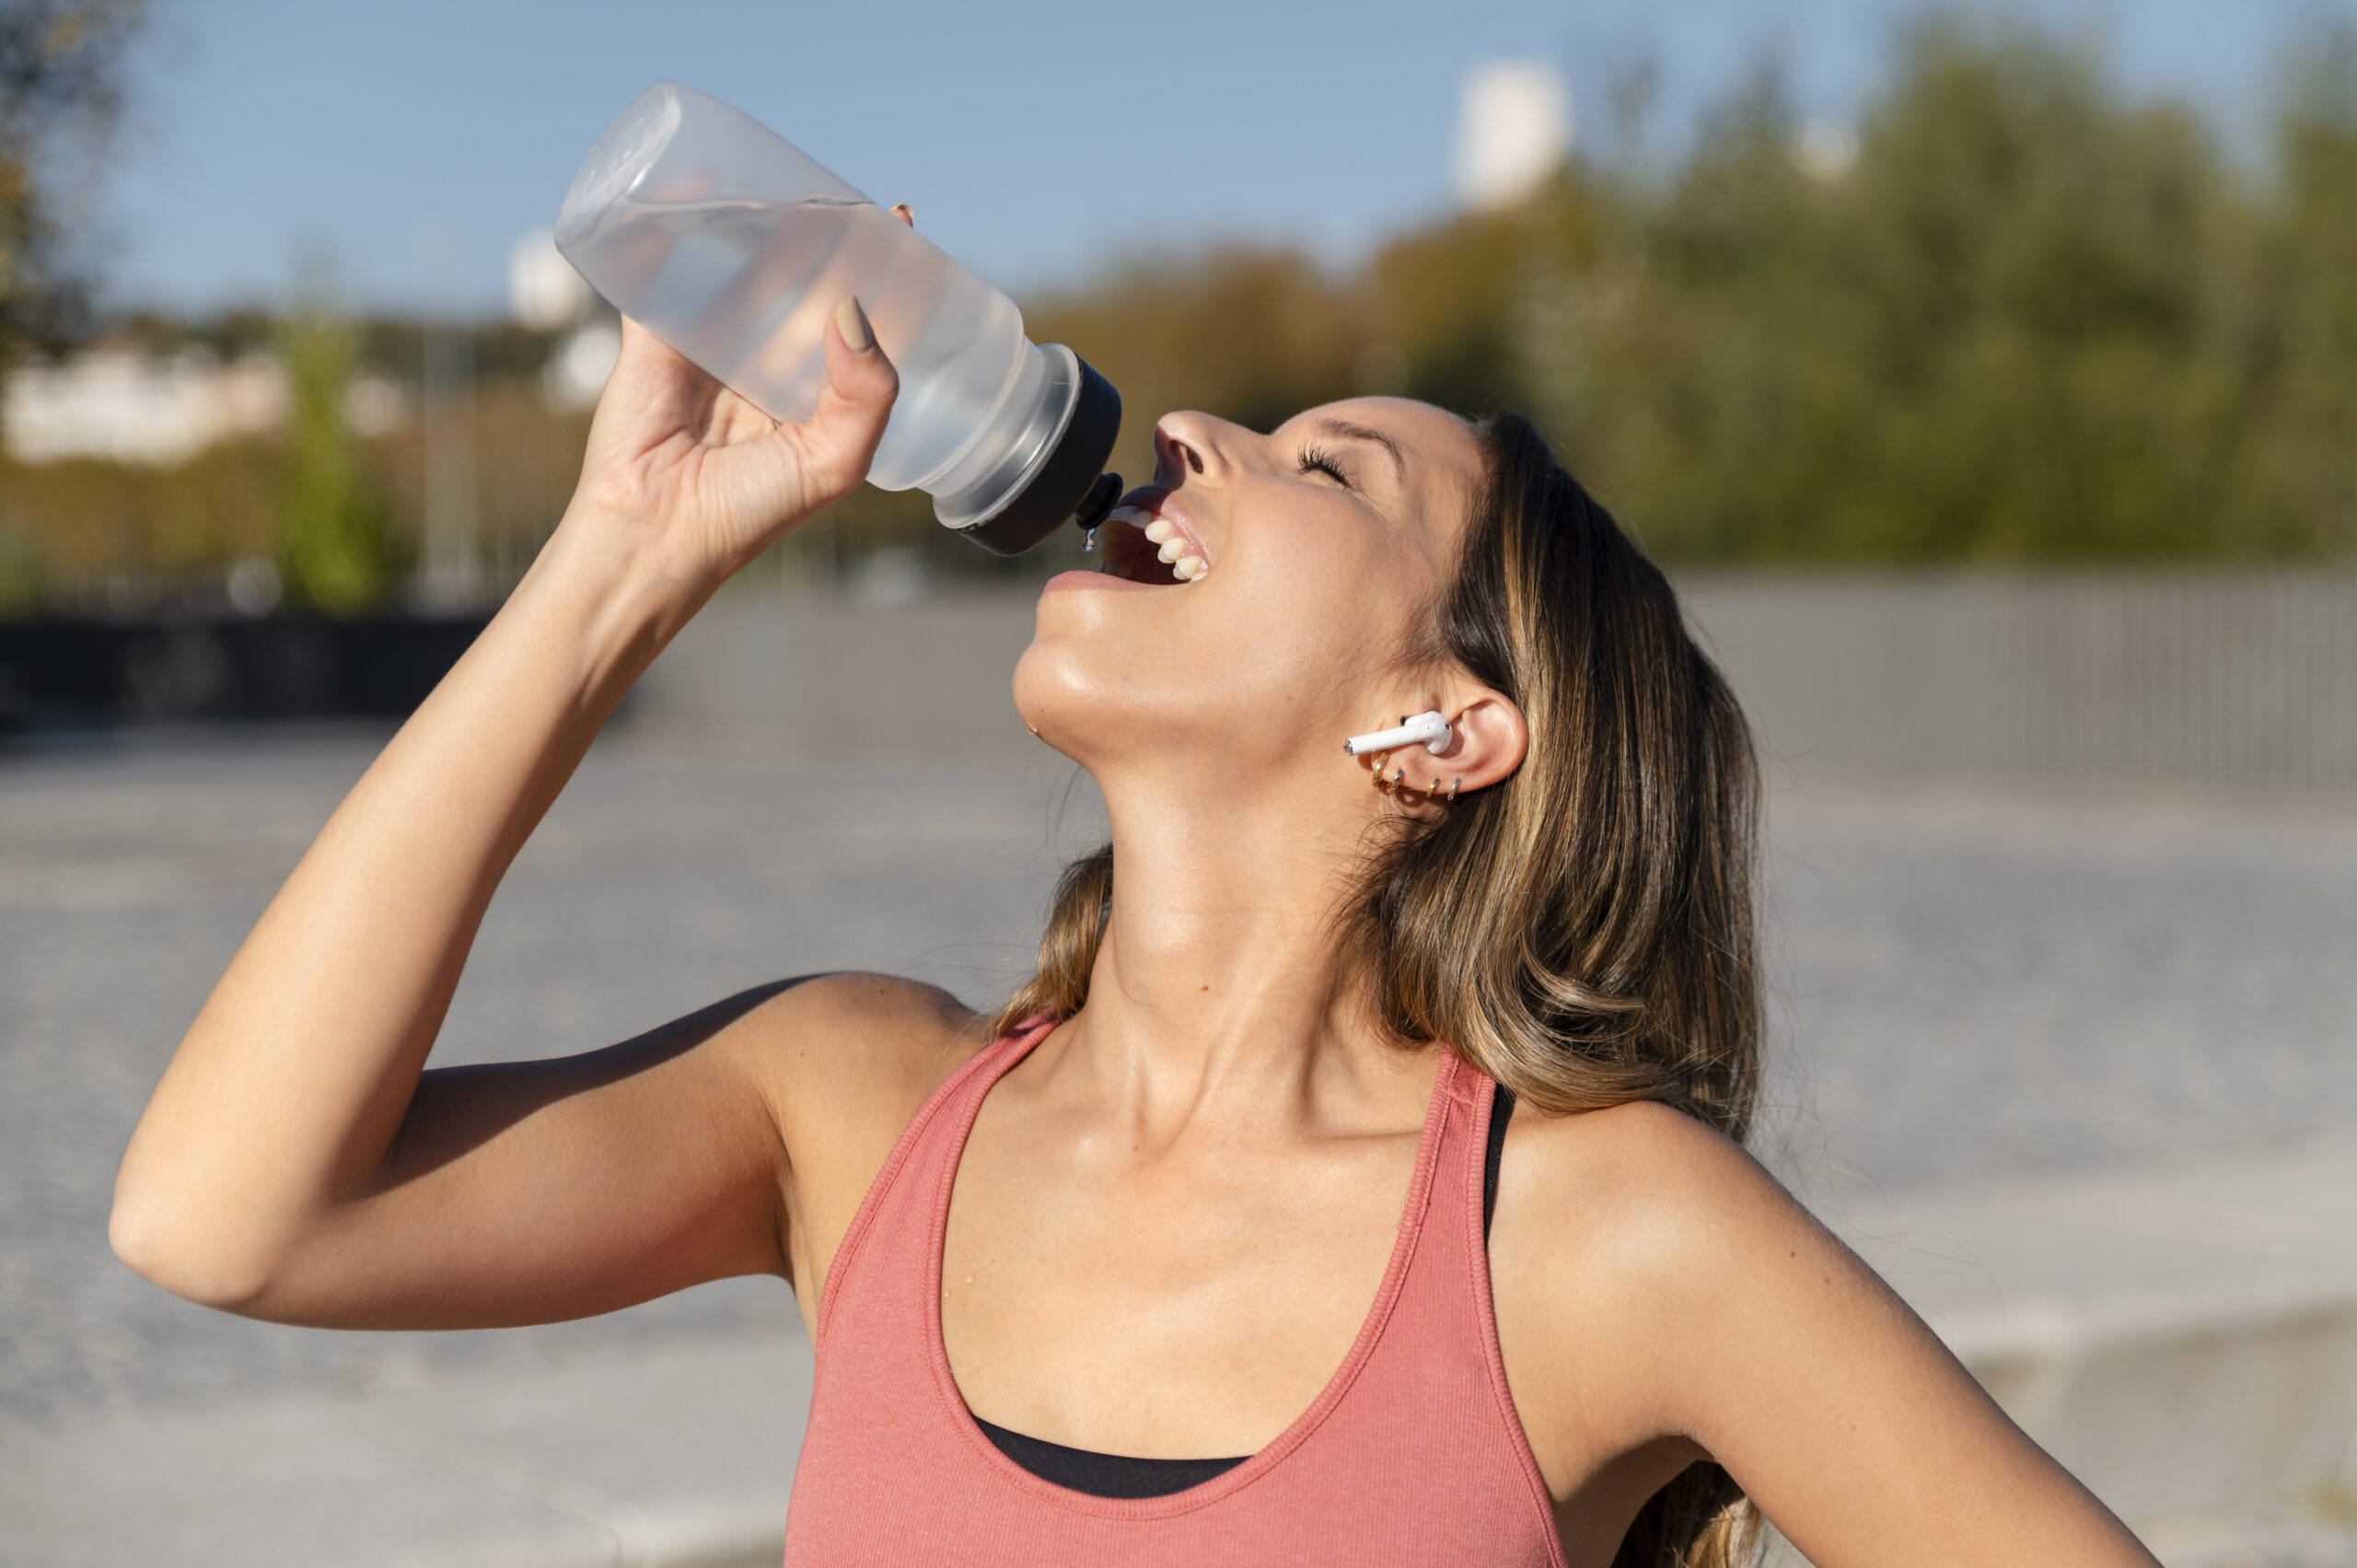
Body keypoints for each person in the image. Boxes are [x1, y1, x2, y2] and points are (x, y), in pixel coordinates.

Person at [111, 271, 2158, 1566]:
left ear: (1446, 727)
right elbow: (226, 1217)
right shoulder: (855, 1111)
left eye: (1327, 471)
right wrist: (620, 563)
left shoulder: (1593, 1233)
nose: (1189, 435)